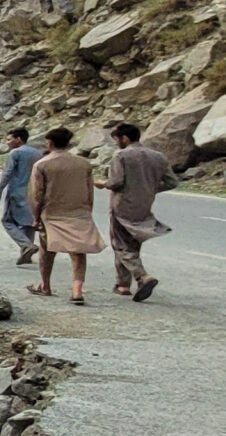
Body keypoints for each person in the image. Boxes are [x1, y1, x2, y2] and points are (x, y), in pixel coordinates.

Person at [99, 121, 178, 302]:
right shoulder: (158, 156)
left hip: (122, 205)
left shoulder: (121, 156)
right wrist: (150, 188)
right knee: (132, 243)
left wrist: (103, 183)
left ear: (125, 138)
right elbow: (172, 182)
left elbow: (116, 182)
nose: (117, 143)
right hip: (144, 205)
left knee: (120, 244)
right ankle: (122, 284)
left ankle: (142, 276)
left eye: (117, 139)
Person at [28, 126, 103, 305]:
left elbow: (37, 195)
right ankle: (77, 290)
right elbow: (89, 191)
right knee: (78, 251)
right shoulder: (83, 164)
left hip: (51, 213)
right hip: (79, 212)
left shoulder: (42, 165)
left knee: (47, 250)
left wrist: (36, 217)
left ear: (49, 143)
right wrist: (88, 211)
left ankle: (45, 285)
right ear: (69, 143)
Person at [0, 127, 43, 265]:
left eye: (9, 139)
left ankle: (26, 245)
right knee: (28, 223)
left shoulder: (16, 153)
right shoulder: (37, 153)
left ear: (18, 139)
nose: (7, 142)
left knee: (7, 221)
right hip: (34, 192)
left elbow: (7, 173)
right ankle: (26, 254)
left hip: (17, 191)